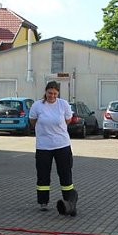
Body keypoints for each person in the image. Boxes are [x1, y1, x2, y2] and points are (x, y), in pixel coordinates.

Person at [28, 81, 79, 216]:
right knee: (43, 174)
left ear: (58, 94)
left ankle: (69, 201)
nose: (52, 96)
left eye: (55, 93)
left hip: (62, 145)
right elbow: (32, 121)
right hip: (43, 146)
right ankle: (43, 202)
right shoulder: (37, 106)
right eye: (50, 93)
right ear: (45, 92)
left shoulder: (63, 104)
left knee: (65, 173)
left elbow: (67, 120)